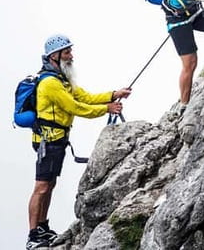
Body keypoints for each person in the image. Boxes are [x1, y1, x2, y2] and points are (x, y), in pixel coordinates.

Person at [26, 34, 131, 249]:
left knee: (50, 184)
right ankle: (33, 235)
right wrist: (107, 109)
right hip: (49, 142)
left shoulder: (62, 80)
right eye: (67, 52)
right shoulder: (50, 84)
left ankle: (42, 227)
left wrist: (113, 94)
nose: (71, 56)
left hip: (57, 141)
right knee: (42, 187)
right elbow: (76, 107)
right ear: (54, 56)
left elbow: (85, 97)